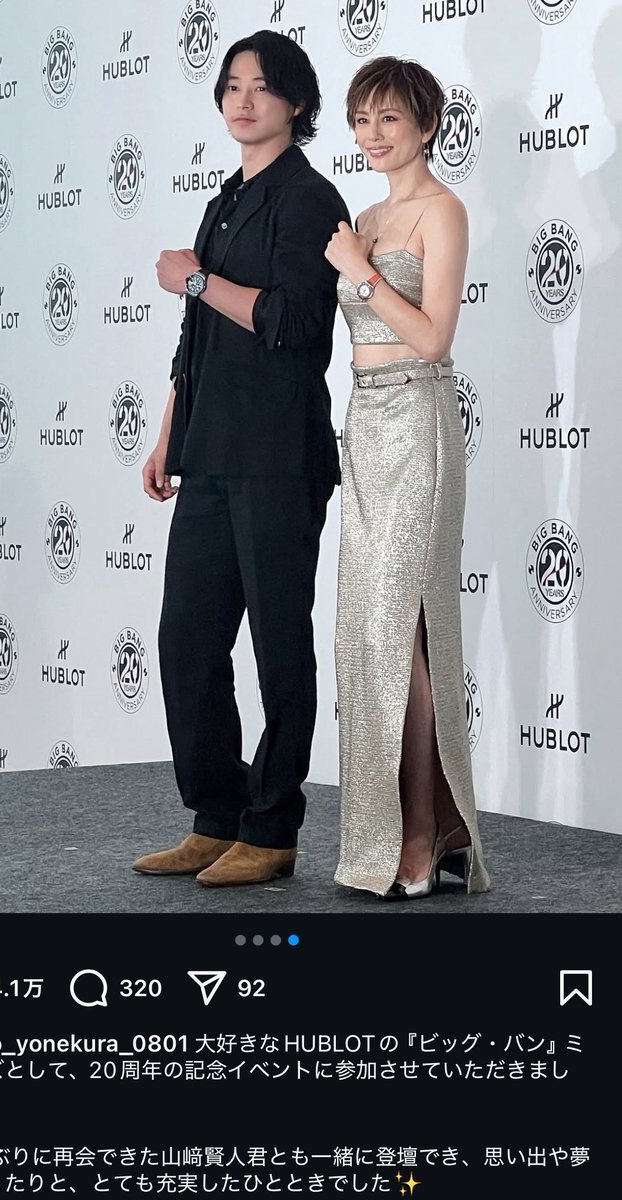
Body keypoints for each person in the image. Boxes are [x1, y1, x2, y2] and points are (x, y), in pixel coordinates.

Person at [132, 31, 349, 887]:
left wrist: (193, 280)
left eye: (261, 87)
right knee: (186, 641)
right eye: (230, 86)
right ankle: (216, 815)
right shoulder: (224, 198)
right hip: (210, 451)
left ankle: (272, 829)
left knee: (278, 647)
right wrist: (168, 433)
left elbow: (292, 324)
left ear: (297, 102)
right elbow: (198, 339)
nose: (243, 100)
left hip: (278, 456)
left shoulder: (309, 198)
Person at [324, 56, 490, 899]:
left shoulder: (442, 211)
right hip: (364, 425)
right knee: (372, 633)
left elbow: (432, 339)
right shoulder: (365, 217)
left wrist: (359, 271)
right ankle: (419, 827)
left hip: (419, 422)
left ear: (427, 124)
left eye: (389, 118)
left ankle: (420, 832)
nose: (373, 135)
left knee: (404, 631)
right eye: (362, 119)